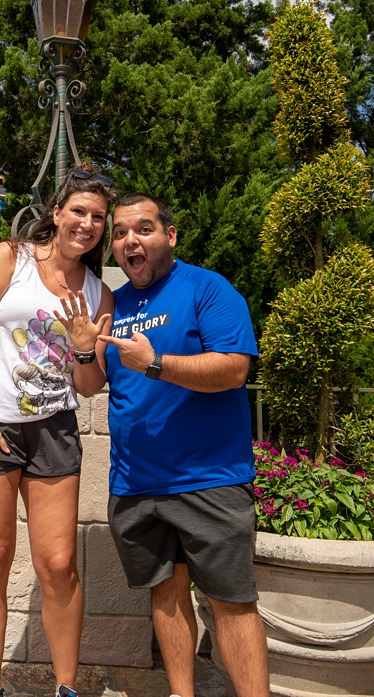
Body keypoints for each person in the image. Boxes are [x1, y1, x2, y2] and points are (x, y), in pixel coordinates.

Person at [0, 168, 116, 697]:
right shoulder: (10, 257)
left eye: (97, 218)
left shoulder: (98, 294)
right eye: (78, 212)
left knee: (59, 563)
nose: (87, 224)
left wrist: (85, 345)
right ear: (57, 212)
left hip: (53, 429)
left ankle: (66, 687)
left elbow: (87, 385)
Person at [96, 193, 269, 697]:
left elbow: (234, 369)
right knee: (166, 595)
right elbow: (93, 383)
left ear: (169, 236)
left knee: (230, 602)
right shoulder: (116, 304)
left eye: (144, 229)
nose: (131, 240)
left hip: (209, 480)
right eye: (122, 233)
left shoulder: (208, 289)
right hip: (135, 482)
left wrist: (156, 363)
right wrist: (85, 347)